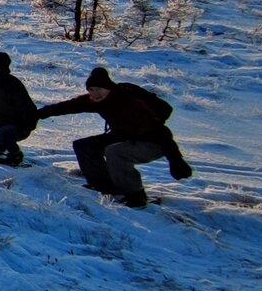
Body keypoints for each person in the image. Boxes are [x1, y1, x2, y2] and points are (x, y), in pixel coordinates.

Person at [34, 67, 193, 208]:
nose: (94, 94)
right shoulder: (96, 100)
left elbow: (161, 131)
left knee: (115, 152)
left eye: (99, 89)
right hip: (123, 136)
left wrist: (176, 160)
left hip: (154, 142)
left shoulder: (130, 102)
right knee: (84, 146)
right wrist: (37, 114)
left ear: (108, 88)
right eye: (91, 89)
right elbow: (68, 106)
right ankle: (104, 186)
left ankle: (135, 196)